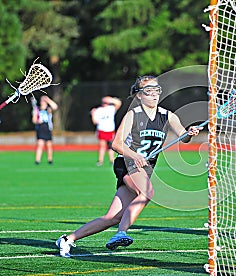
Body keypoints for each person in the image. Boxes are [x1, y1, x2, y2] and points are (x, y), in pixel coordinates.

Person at [55, 75, 202, 257]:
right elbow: (116, 144)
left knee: (112, 217)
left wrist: (190, 133)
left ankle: (67, 239)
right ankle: (121, 233)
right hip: (126, 163)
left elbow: (183, 136)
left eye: (157, 90)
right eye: (149, 91)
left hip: (145, 169)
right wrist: (135, 155)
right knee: (147, 192)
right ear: (139, 95)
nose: (154, 95)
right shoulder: (133, 115)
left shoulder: (167, 115)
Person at [91, 96, 122, 166]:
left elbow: (119, 103)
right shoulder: (98, 110)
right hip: (102, 130)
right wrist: (93, 114)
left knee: (111, 146)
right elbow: (95, 122)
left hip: (110, 130)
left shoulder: (111, 109)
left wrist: (111, 99)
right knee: (102, 146)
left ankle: (112, 160)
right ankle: (100, 161)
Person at [32, 95, 58, 165]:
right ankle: (37, 160)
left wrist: (48, 99)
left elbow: (55, 106)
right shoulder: (37, 109)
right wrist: (38, 121)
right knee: (40, 144)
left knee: (49, 145)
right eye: (42, 100)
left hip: (47, 128)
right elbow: (34, 120)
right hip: (40, 128)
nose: (43, 102)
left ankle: (50, 160)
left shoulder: (48, 109)